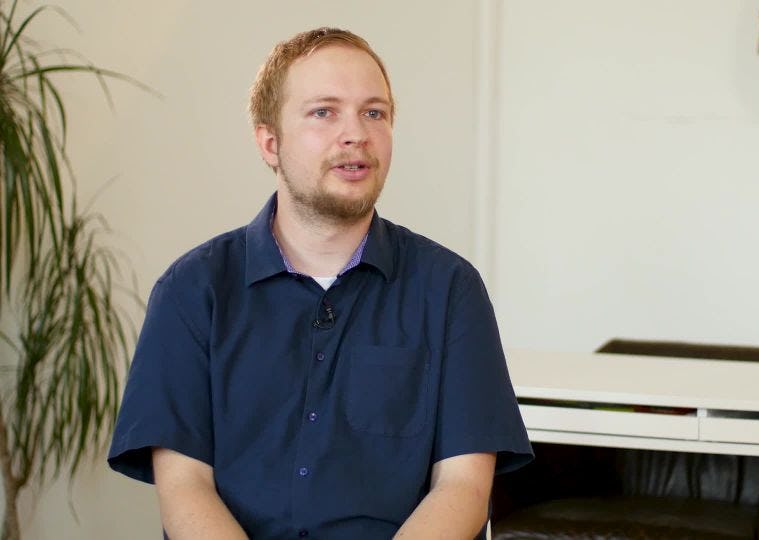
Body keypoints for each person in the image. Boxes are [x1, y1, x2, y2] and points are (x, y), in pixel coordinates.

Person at [108, 27, 533, 539]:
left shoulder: (449, 290)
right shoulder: (193, 290)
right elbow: (184, 485)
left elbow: (463, 487)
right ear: (270, 143)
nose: (356, 133)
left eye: (374, 113)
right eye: (324, 112)